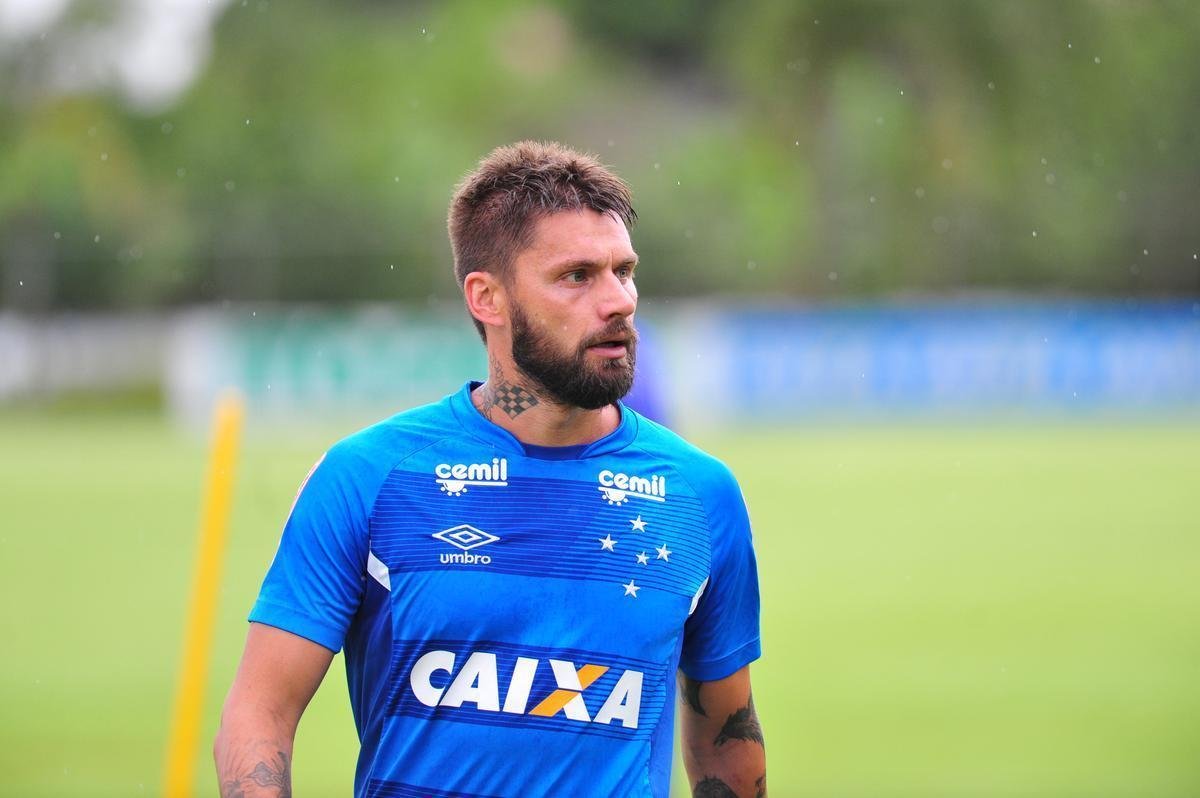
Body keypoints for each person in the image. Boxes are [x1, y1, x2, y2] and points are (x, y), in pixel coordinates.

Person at [214, 141, 765, 798]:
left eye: (625, 271)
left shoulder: (699, 496)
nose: (618, 300)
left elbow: (727, 736)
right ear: (488, 298)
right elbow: (259, 713)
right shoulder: (370, 477)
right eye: (577, 276)